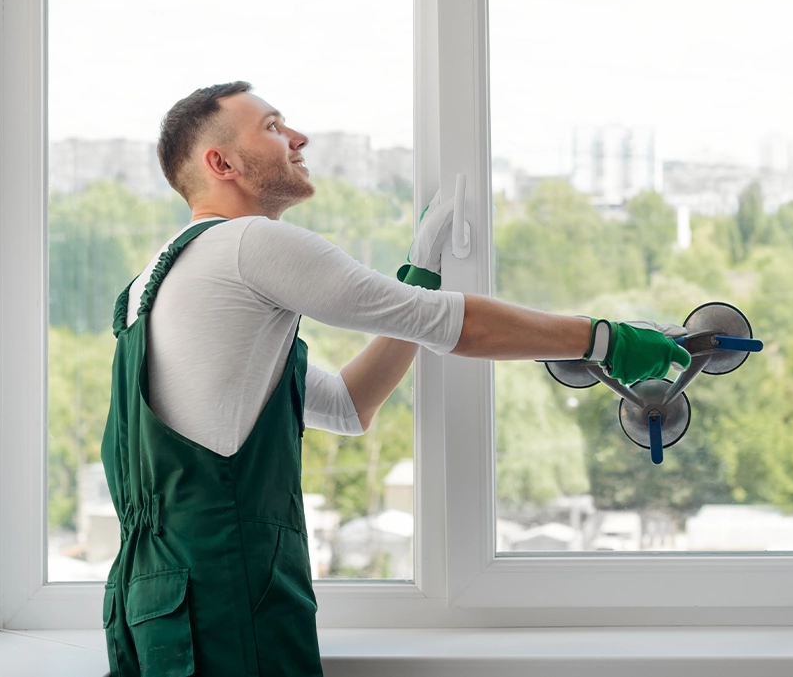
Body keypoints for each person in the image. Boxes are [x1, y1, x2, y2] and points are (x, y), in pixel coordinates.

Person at [99, 81, 690, 677]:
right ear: (220, 162)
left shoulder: (155, 282)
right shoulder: (250, 243)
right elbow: (453, 327)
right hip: (224, 596)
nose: (298, 138)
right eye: (273, 127)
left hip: (153, 604)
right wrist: (606, 339)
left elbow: (348, 405)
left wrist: (420, 274)